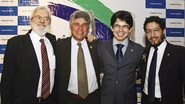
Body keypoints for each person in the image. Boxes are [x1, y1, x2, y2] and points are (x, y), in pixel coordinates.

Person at [0, 6, 56, 104]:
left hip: (49, 101)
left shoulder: (53, 41)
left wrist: (88, 39)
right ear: (30, 21)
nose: (42, 21)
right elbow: (6, 81)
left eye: (46, 18)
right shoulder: (15, 44)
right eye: (38, 17)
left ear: (50, 23)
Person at [54, 10, 100, 104]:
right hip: (68, 99)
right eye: (76, 24)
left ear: (88, 28)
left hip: (94, 99)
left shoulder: (97, 46)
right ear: (70, 26)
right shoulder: (59, 46)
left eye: (84, 25)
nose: (80, 28)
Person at [98, 10, 144, 104]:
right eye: (117, 26)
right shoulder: (101, 47)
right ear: (112, 28)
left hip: (128, 100)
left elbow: (142, 72)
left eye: (125, 26)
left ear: (130, 29)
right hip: (105, 99)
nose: (120, 30)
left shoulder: (139, 50)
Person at [141, 16, 185, 104]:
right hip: (146, 100)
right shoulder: (145, 51)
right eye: (148, 31)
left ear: (163, 31)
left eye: (156, 30)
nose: (152, 35)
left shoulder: (179, 52)